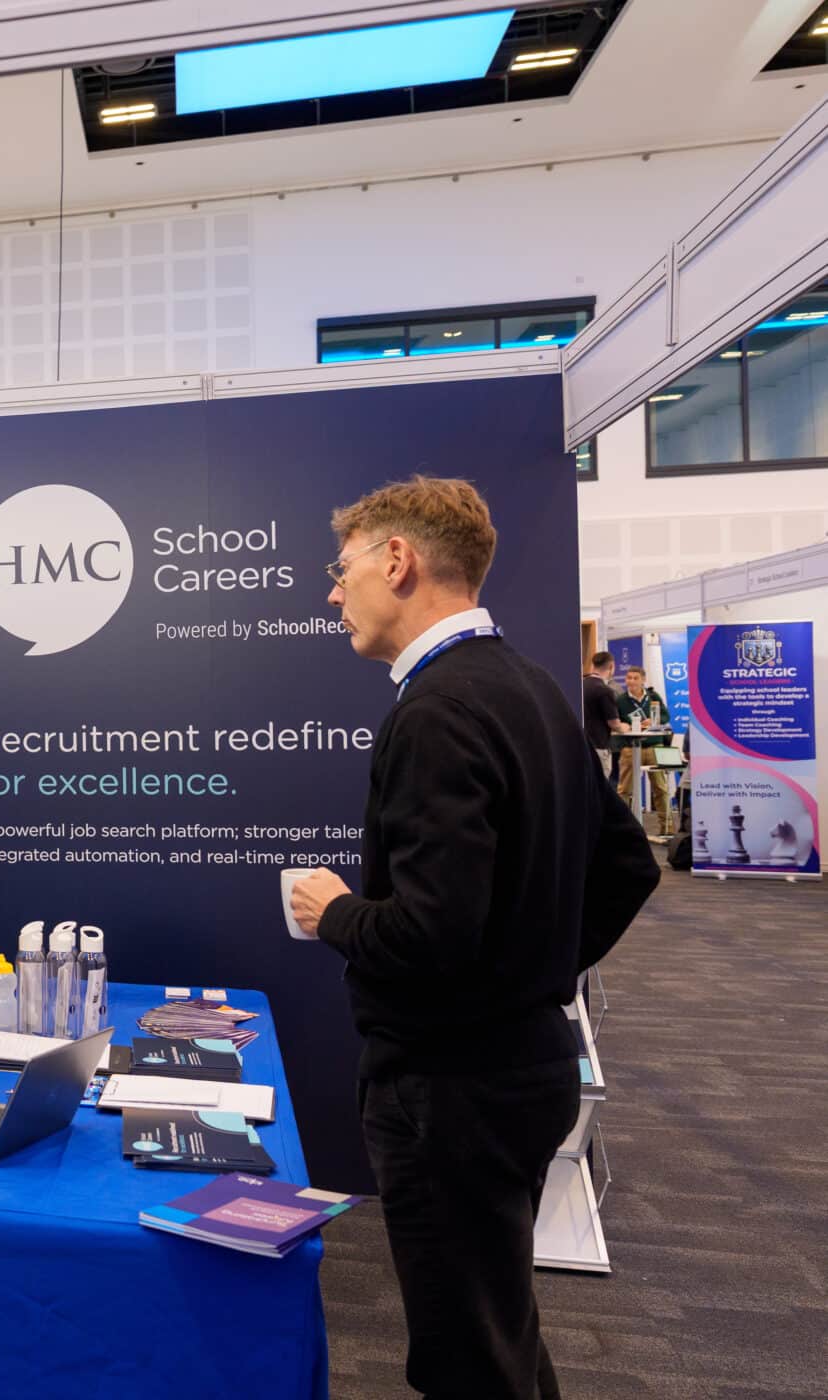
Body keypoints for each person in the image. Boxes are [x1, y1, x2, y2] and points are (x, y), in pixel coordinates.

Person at [289, 478, 659, 1400]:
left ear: (399, 562)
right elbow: (628, 867)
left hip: (452, 1088)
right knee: (496, 1327)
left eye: (342, 571)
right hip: (523, 1065)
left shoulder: (439, 709)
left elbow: (428, 933)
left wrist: (331, 911)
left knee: (467, 1356)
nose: (334, 594)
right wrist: (532, 972)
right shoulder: (529, 686)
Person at [615, 666, 670, 836]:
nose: (631, 681)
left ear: (643, 680)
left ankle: (666, 828)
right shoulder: (621, 700)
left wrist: (653, 721)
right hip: (630, 748)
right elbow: (617, 722)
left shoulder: (653, 697)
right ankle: (623, 830)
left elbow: (666, 717)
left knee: (660, 788)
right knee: (624, 790)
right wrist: (627, 726)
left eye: (635, 678)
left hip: (654, 747)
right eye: (628, 678)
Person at [582, 651, 625, 778]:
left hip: (583, 745)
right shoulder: (605, 690)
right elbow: (613, 723)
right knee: (600, 789)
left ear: (593, 665)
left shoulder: (581, 685)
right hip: (599, 746)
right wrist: (624, 727)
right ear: (611, 666)